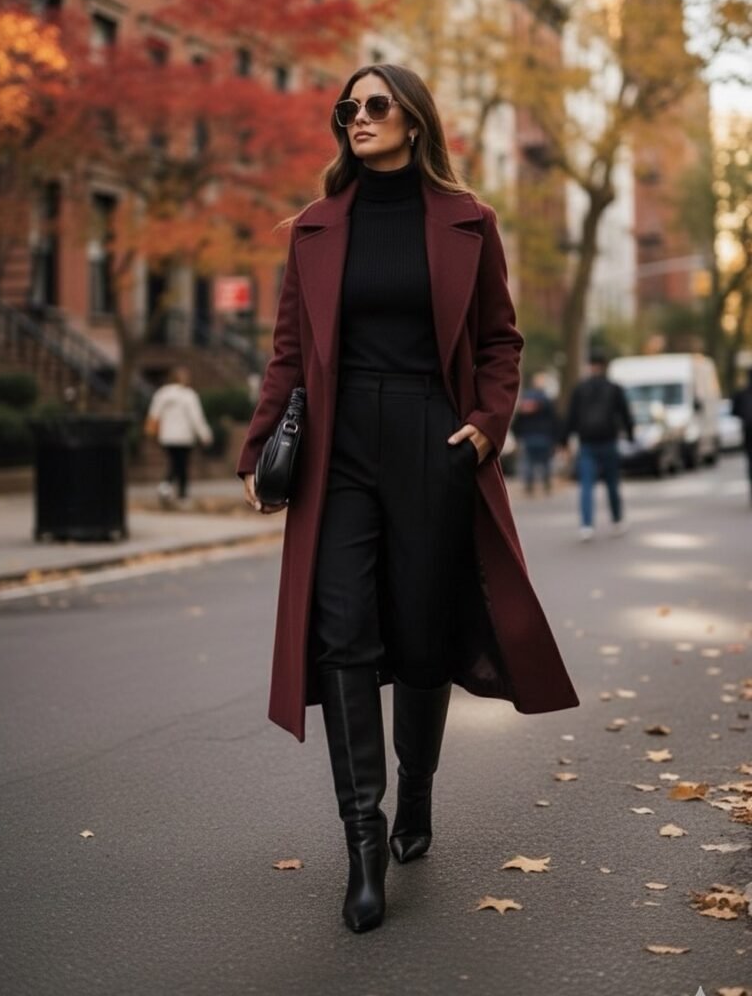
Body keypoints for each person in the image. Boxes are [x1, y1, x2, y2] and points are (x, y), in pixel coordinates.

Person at [237, 64, 579, 934]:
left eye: (375, 105)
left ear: (415, 121)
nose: (357, 118)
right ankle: (364, 838)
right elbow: (288, 349)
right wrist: (259, 445)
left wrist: (485, 422)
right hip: (339, 452)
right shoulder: (315, 229)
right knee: (346, 633)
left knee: (423, 634)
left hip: (433, 441)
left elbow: (501, 340)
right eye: (346, 108)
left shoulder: (469, 222)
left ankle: (417, 787)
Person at [561, 351, 634, 541]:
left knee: (586, 485)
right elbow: (625, 414)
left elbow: (571, 416)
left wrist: (564, 440)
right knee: (612, 483)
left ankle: (586, 525)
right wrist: (631, 435)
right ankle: (617, 520)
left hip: (586, 443)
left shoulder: (580, 389)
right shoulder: (614, 388)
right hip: (608, 441)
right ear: (605, 366)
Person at [145, 366, 213, 506]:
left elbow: (154, 414)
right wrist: (205, 434)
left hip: (167, 437)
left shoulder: (162, 394)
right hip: (184, 437)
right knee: (181, 465)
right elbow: (196, 418)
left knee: (174, 463)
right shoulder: (189, 396)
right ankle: (181, 495)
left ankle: (167, 487)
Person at [512, 372, 558, 495]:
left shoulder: (526, 401)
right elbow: (554, 420)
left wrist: (517, 435)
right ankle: (546, 482)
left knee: (528, 462)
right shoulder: (547, 401)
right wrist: (555, 438)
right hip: (544, 436)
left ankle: (529, 485)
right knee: (545, 462)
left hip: (528, 436)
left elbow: (518, 420)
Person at [731, 368, 752, 505]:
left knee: (750, 464)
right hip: (748, 434)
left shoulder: (742, 393)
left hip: (748, 433)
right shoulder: (741, 394)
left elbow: (734, 412)